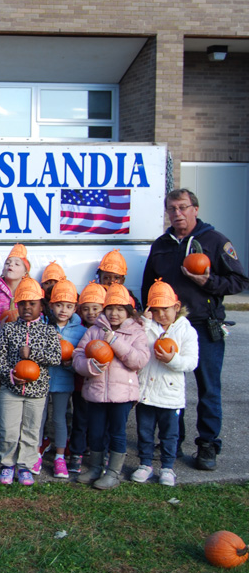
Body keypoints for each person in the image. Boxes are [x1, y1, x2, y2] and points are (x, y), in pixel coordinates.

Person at [141, 188, 249, 471]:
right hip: (168, 326)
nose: (177, 213)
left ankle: (208, 443)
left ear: (195, 209)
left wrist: (208, 282)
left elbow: (239, 281)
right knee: (169, 383)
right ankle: (172, 440)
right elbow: (149, 285)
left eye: (183, 207)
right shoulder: (161, 244)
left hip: (203, 324)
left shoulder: (214, 241)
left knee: (208, 386)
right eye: (172, 209)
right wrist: (148, 316)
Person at [72, 283, 150, 490]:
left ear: (129, 311)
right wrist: (89, 366)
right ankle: (96, 468)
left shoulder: (137, 332)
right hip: (96, 392)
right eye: (110, 308)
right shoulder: (95, 331)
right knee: (96, 432)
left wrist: (115, 342)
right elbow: (78, 355)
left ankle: (113, 472)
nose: (114, 313)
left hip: (122, 395)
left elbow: (138, 361)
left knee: (117, 432)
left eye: (120, 309)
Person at [0, 277, 62, 486]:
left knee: (31, 430)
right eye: (22, 304)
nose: (27, 307)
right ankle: (7, 464)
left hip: (37, 390)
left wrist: (33, 353)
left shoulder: (49, 331)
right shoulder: (9, 329)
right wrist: (11, 375)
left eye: (32, 303)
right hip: (11, 388)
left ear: (41, 305)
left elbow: (56, 357)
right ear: (17, 306)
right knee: (9, 429)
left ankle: (25, 467)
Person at [134, 279, 199, 487]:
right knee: (144, 431)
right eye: (156, 310)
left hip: (170, 395)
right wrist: (143, 324)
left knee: (169, 434)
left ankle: (167, 467)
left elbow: (191, 362)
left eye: (166, 309)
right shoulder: (146, 327)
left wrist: (173, 360)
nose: (161, 315)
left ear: (176, 307)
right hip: (146, 392)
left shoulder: (186, 331)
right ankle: (145, 463)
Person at [0, 243, 31, 455]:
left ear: (25, 270)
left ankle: (18, 438)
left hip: (23, 353)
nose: (11, 265)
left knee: (21, 395)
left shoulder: (31, 292)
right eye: (8, 262)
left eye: (16, 263)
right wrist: (1, 324)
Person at [43, 279, 87, 479]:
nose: (63, 310)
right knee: (38, 419)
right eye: (59, 305)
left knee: (59, 419)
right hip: (41, 380)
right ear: (51, 305)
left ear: (75, 308)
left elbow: (81, 357)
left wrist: (71, 365)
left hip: (63, 381)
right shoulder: (43, 325)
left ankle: (60, 457)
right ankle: (35, 451)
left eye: (69, 306)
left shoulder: (80, 332)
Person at [67, 281, 106, 474]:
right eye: (87, 309)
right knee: (80, 420)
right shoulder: (81, 331)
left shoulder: (108, 332)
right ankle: (77, 452)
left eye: (96, 308)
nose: (91, 313)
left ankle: (98, 451)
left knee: (98, 421)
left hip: (101, 385)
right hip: (81, 384)